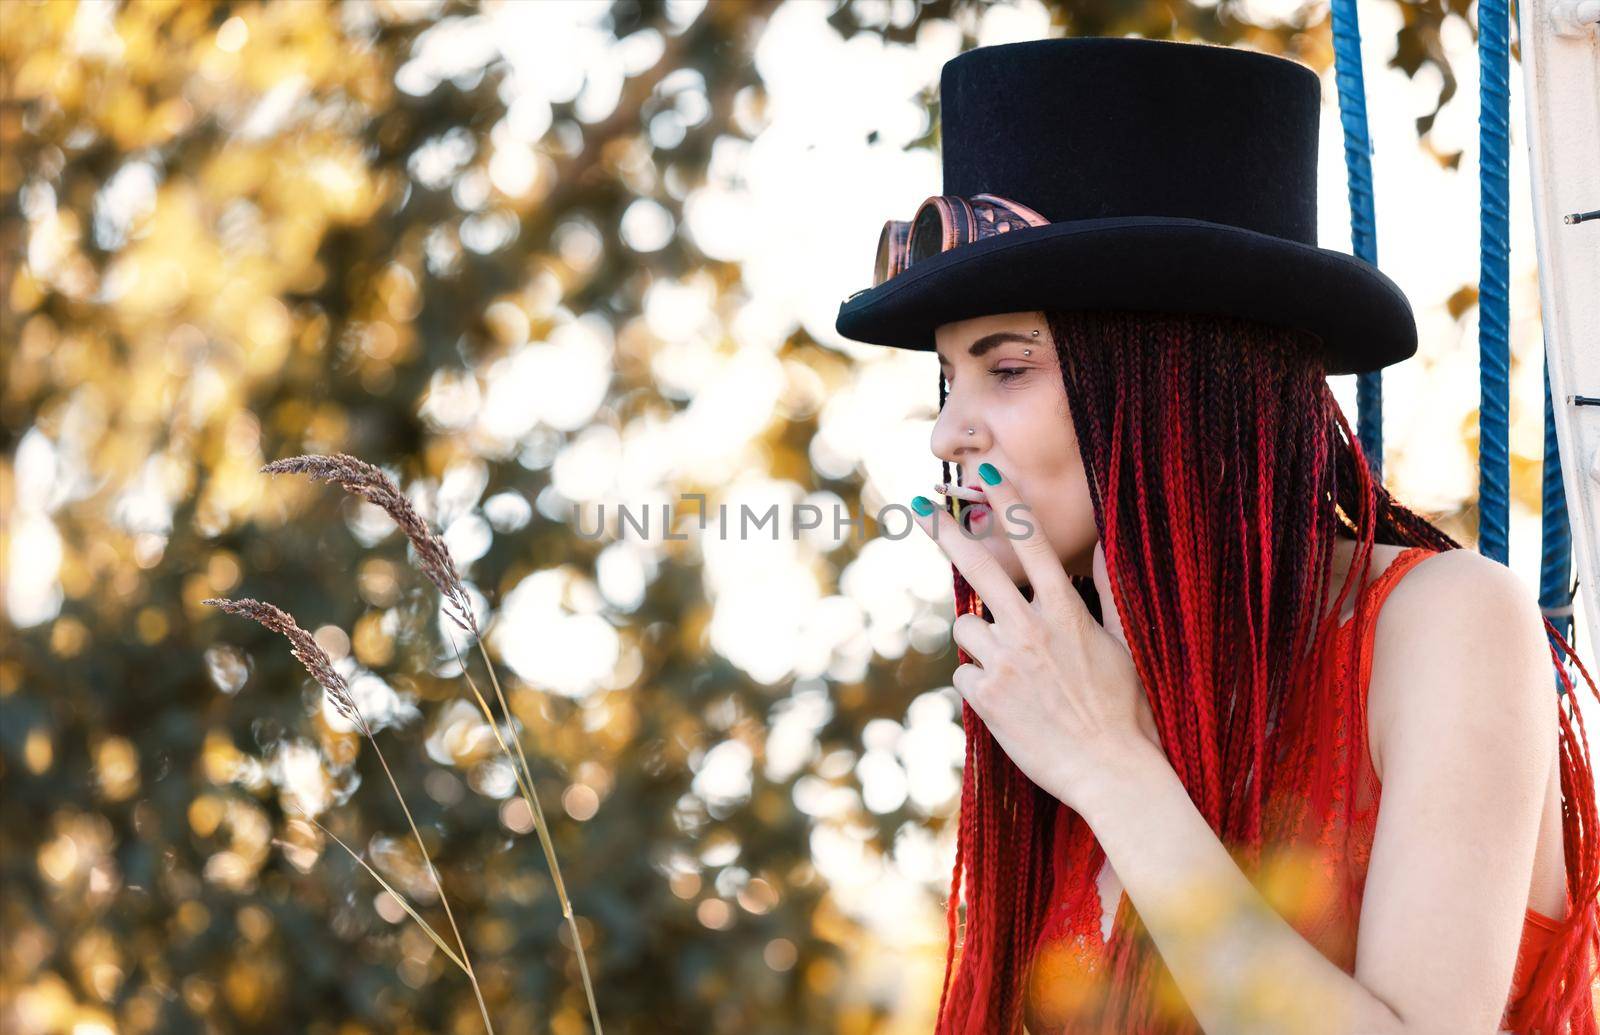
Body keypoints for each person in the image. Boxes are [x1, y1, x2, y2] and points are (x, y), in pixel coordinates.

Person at [833, 37, 1600, 1035]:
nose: (947, 432)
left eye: (1006, 368)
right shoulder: (1070, 689)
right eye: (947, 380)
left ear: (1169, 374)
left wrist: (1114, 768)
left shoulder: (1443, 622)